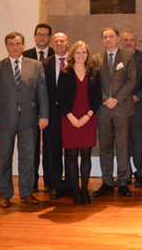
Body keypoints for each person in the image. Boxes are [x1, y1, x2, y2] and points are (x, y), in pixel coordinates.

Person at [0, 32, 49, 209]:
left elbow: (42, 93)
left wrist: (44, 115)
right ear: (6, 46)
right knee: (3, 159)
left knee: (28, 158)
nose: (15, 47)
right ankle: (5, 194)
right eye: (11, 44)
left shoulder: (36, 66)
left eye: (18, 44)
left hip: (29, 121)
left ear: (23, 45)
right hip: (3, 121)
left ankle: (26, 193)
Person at [92, 27, 136, 198]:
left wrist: (116, 99)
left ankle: (123, 181)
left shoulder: (128, 57)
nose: (108, 39)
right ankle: (107, 181)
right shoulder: (95, 59)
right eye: (105, 37)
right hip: (103, 110)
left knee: (123, 146)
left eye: (111, 36)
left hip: (122, 109)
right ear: (102, 40)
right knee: (105, 147)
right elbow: (93, 83)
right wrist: (105, 99)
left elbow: (131, 81)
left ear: (118, 39)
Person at [57, 41, 101, 204]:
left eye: (84, 53)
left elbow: (97, 96)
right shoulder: (66, 72)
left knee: (86, 156)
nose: (81, 56)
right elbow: (60, 97)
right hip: (70, 119)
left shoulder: (94, 72)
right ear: (72, 55)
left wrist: (88, 115)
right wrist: (71, 117)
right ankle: (75, 191)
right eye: (78, 53)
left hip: (88, 119)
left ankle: (84, 191)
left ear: (88, 55)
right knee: (71, 156)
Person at [23, 23, 54, 192]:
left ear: (49, 37)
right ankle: (32, 182)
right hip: (30, 108)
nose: (42, 37)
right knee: (31, 147)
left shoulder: (56, 55)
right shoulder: (24, 55)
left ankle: (49, 181)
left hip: (51, 109)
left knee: (50, 146)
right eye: (39, 34)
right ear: (34, 36)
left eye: (45, 34)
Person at [41, 33, 70, 200]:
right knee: (53, 150)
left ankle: (71, 183)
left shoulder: (75, 62)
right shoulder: (45, 64)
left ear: (68, 43)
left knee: (71, 150)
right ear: (53, 44)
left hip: (71, 115)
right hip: (52, 114)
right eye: (56, 41)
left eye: (62, 41)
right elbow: (41, 92)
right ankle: (56, 185)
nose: (59, 43)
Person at [122, 29, 142, 187]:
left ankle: (139, 174)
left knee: (139, 141)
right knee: (123, 142)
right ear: (121, 41)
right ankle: (125, 173)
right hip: (120, 107)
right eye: (126, 40)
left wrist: (138, 96)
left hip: (138, 105)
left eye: (131, 40)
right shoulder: (117, 58)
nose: (128, 43)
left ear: (136, 41)